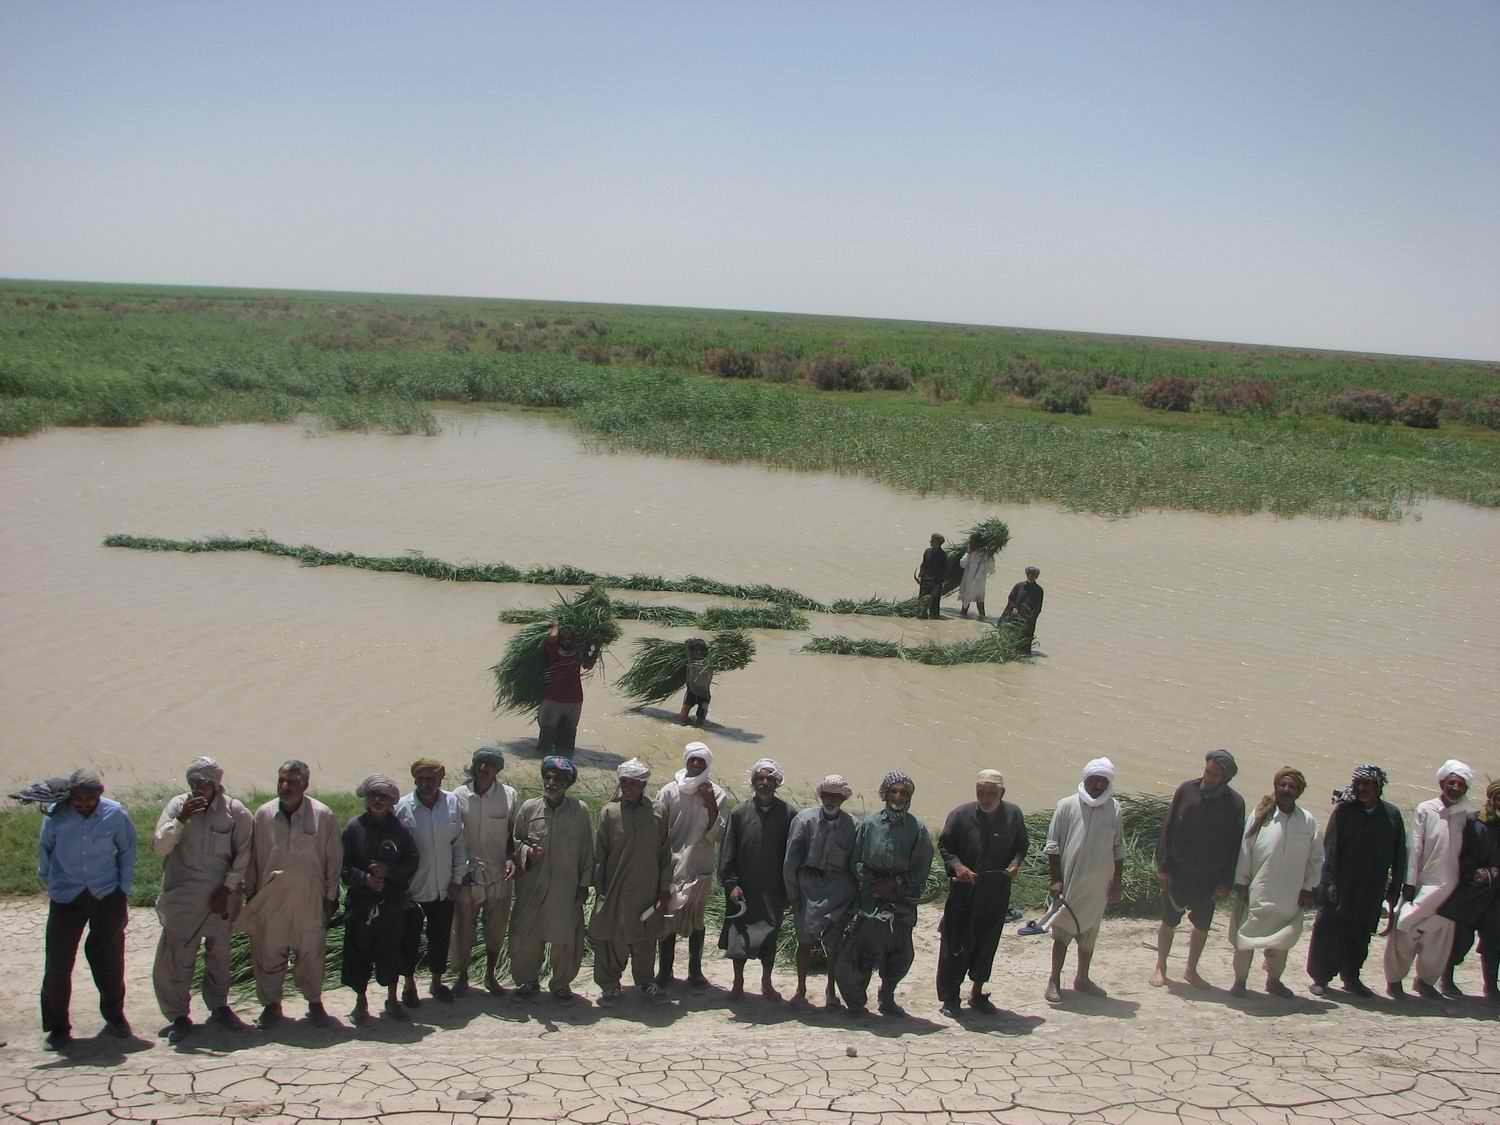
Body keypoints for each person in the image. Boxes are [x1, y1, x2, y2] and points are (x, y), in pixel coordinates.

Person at [151, 755, 254, 1043]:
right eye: (194, 783)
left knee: (219, 955)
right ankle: (178, 1015)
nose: (199, 788)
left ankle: (219, 1007)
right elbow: (160, 847)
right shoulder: (176, 806)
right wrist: (181, 818)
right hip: (182, 895)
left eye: (205, 783)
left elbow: (244, 854)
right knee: (178, 956)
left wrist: (228, 889)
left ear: (217, 784)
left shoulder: (235, 812)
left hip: (220, 897)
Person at [32, 768, 136, 1050]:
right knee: (58, 963)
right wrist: (49, 881)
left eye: (90, 800)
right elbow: (46, 848)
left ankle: (115, 1017)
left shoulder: (115, 814)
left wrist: (122, 889)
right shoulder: (57, 815)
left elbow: (127, 850)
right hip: (67, 896)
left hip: (106, 895)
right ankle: (57, 1027)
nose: (84, 805)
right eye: (78, 799)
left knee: (110, 960)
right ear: (70, 796)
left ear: (99, 796)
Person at [241, 759, 342, 1028]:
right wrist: (251, 895)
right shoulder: (263, 814)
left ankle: (314, 1003)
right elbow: (252, 860)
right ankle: (272, 1005)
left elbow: (333, 859)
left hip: (309, 896)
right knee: (269, 952)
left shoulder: (323, 815)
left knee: (311, 953)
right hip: (271, 897)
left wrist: (331, 897)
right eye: (282, 780)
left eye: (293, 781)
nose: (285, 786)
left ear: (305, 785)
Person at [835, 769, 935, 1018]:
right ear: (884, 794)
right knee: (858, 953)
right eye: (894, 791)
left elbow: (921, 867)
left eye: (904, 792)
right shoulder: (869, 825)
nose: (898, 796)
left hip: (901, 901)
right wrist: (870, 882)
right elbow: (855, 861)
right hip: (869, 899)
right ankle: (857, 1003)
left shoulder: (917, 829)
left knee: (901, 955)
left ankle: (887, 996)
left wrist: (898, 884)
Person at [1305, 765, 1406, 998]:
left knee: (1360, 934)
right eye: (1359, 784)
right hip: (1340, 883)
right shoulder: (1343, 812)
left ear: (1379, 787)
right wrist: (1328, 882)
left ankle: (1351, 978)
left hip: (1372, 886)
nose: (1363, 789)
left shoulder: (1391, 815)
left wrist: (1395, 887)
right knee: (1328, 930)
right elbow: (1330, 849)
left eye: (1368, 785)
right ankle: (1320, 978)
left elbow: (1400, 854)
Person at [936, 769, 1029, 1017]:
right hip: (964, 892)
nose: (985, 798)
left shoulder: (1013, 815)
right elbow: (945, 846)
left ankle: (977, 993)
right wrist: (958, 867)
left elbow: (1022, 846)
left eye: (991, 793)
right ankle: (951, 997)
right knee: (954, 944)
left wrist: (1016, 864)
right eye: (981, 792)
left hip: (996, 893)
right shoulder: (960, 815)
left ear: (1002, 793)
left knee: (987, 943)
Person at [1151, 749, 1245, 990]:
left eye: (1213, 774)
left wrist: (1226, 882)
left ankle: (1191, 970)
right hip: (1179, 870)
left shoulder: (1235, 803)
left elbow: (1234, 845)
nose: (1207, 777)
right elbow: (1168, 828)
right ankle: (1160, 966)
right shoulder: (1186, 790)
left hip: (1209, 877)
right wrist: (1162, 865)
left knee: (1202, 926)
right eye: (1206, 771)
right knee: (1168, 921)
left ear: (1225, 777)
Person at [1229, 767, 1322, 997]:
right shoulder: (1260, 815)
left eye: (1292, 786)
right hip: (1258, 891)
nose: (1286, 790)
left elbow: (1316, 858)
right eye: (1283, 785)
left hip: (1290, 895)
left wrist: (1309, 888)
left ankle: (1273, 981)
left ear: (1298, 792)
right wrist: (1241, 882)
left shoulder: (1308, 821)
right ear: (1276, 786)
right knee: (1246, 937)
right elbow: (1245, 849)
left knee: (1281, 941)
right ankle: (1240, 982)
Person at [1385, 759, 1473, 999]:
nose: (1455, 787)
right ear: (1442, 782)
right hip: (1423, 885)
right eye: (1451, 782)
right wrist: (1410, 883)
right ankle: (1394, 980)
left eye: (1460, 784)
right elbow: (1415, 847)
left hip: (1452, 888)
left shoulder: (1467, 815)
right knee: (1404, 929)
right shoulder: (1426, 809)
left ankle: (1425, 982)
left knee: (1439, 938)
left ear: (1465, 789)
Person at [509, 756, 594, 1002]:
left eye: (558, 779)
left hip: (565, 888)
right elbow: (515, 842)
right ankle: (527, 981)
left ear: (568, 783)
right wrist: (527, 852)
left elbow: (588, 851)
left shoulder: (580, 811)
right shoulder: (528, 808)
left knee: (565, 939)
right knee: (527, 936)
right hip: (532, 886)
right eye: (548, 777)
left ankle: (561, 984)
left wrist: (584, 885)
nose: (551, 782)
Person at [589, 758, 671, 1005]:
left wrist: (665, 889)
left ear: (643, 784)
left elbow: (665, 853)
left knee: (646, 939)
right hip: (615, 890)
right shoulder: (608, 813)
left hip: (647, 890)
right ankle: (610, 985)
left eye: (633, 783)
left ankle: (645, 982)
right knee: (611, 939)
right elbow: (599, 856)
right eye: (624, 782)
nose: (627, 788)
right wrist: (599, 890)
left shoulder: (657, 812)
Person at [1043, 758, 1124, 1005]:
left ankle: (1083, 978)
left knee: (1090, 931)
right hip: (1071, 881)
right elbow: (1053, 846)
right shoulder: (1066, 805)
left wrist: (1117, 882)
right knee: (1062, 931)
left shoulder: (1115, 808)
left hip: (1099, 883)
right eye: (1094, 779)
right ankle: (1054, 980)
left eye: (1103, 780)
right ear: (1085, 778)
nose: (1098, 784)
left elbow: (1118, 848)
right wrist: (1056, 880)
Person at [340, 774, 418, 1024]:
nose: (377, 800)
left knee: (391, 952)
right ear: (366, 798)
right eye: (373, 795)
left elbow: (412, 861)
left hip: (391, 904)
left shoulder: (401, 830)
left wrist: (389, 873)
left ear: (391, 801)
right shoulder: (354, 828)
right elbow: (342, 867)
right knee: (357, 953)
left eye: (383, 796)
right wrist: (364, 879)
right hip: (361, 905)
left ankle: (392, 999)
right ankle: (360, 1002)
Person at [654, 742, 729, 989]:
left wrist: (710, 802)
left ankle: (695, 971)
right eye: (693, 759)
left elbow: (718, 834)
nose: (696, 764)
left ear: (707, 764)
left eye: (701, 761)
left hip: (699, 865)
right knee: (667, 919)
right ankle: (665, 971)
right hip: (671, 866)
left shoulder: (717, 793)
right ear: (686, 761)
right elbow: (658, 831)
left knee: (696, 922)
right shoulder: (668, 791)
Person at [719, 758, 795, 1001]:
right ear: (753, 782)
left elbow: (793, 855)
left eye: (769, 779)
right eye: (760, 778)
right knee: (739, 936)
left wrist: (790, 890)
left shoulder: (788, 814)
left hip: (774, 889)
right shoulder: (739, 812)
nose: (764, 783)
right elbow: (727, 851)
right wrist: (731, 884)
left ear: (777, 783)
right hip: (743, 889)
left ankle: (766, 983)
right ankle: (738, 983)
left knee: (770, 937)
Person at [396, 757, 466, 1006]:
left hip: (444, 885)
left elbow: (458, 843)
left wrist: (457, 879)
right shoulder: (402, 807)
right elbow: (396, 852)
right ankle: (409, 985)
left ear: (440, 779)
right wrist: (399, 888)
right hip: (413, 888)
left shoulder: (451, 803)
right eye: (421, 779)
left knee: (440, 936)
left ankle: (437, 982)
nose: (426, 784)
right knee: (409, 939)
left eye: (431, 779)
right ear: (415, 779)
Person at [784, 775, 857, 1009]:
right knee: (805, 941)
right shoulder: (803, 821)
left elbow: (855, 865)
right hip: (808, 886)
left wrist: (855, 898)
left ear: (843, 799)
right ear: (821, 795)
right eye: (827, 795)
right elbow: (790, 862)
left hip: (838, 889)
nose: (831, 800)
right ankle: (801, 989)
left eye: (836, 796)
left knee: (835, 945)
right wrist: (793, 894)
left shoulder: (853, 826)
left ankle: (831, 992)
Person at [452, 746, 518, 996]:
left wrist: (512, 858)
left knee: (496, 927)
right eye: (480, 762)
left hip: (499, 873)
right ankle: (462, 976)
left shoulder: (509, 795)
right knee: (463, 928)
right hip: (467, 874)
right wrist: (458, 870)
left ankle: (490, 975)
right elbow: (453, 836)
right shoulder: (457, 796)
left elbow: (514, 835)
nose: (483, 768)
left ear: (498, 770)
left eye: (490, 764)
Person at [1438, 783, 1499, 997]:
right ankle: (1447, 979)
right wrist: (1477, 873)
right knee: (1461, 938)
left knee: (1494, 941)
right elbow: (1458, 854)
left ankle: (1491, 986)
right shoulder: (1473, 822)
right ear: (1491, 799)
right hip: (1472, 891)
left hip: (1497, 897)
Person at [538, 622, 599, 757]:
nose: (567, 640)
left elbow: (588, 664)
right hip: (553, 700)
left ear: (574, 638)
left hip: (573, 700)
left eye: (570, 638)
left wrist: (596, 645)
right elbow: (552, 636)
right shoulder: (553, 648)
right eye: (564, 637)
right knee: (546, 740)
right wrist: (556, 624)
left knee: (567, 741)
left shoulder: (578, 652)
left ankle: (565, 767)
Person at [1001, 566, 1045, 651]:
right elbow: (1011, 598)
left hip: (1028, 619)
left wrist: (1030, 618)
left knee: (1024, 642)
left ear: (1036, 577)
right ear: (1026, 574)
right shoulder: (1019, 586)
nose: (1031, 576)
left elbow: (1038, 607)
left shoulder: (1039, 590)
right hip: (1015, 615)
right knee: (1011, 637)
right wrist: (1013, 607)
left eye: (1033, 575)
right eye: (1029, 574)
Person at [957, 534, 997, 619]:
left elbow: (991, 569)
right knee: (972, 603)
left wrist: (990, 556)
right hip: (972, 583)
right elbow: (962, 564)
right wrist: (968, 553)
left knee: (976, 603)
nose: (970, 544)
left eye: (971, 542)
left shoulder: (985, 555)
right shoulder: (971, 553)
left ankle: (978, 619)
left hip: (976, 583)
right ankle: (978, 620)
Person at [678, 638, 713, 726]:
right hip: (691, 692)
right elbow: (687, 647)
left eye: (701, 650)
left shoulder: (709, 662)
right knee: (682, 717)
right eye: (696, 650)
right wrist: (689, 643)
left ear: (704, 651)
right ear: (692, 651)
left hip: (705, 696)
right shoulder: (690, 661)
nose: (698, 653)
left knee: (701, 720)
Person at [914, 534, 948, 620]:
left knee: (934, 606)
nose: (930, 542)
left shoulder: (943, 555)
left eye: (932, 540)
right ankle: (922, 619)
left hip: (936, 582)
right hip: (925, 580)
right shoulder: (927, 551)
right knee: (921, 602)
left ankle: (934, 623)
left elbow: (944, 570)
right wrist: (920, 576)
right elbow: (923, 564)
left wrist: (939, 584)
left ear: (938, 543)